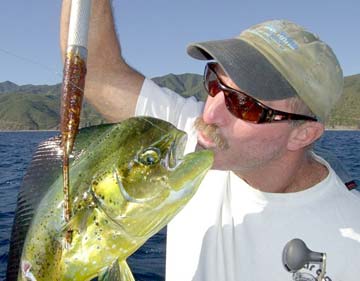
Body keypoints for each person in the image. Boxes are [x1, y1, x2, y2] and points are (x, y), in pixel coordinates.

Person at [61, 1, 360, 280]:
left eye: (245, 105)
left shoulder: (352, 241)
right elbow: (96, 73)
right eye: (214, 83)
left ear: (302, 134)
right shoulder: (187, 141)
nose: (210, 112)